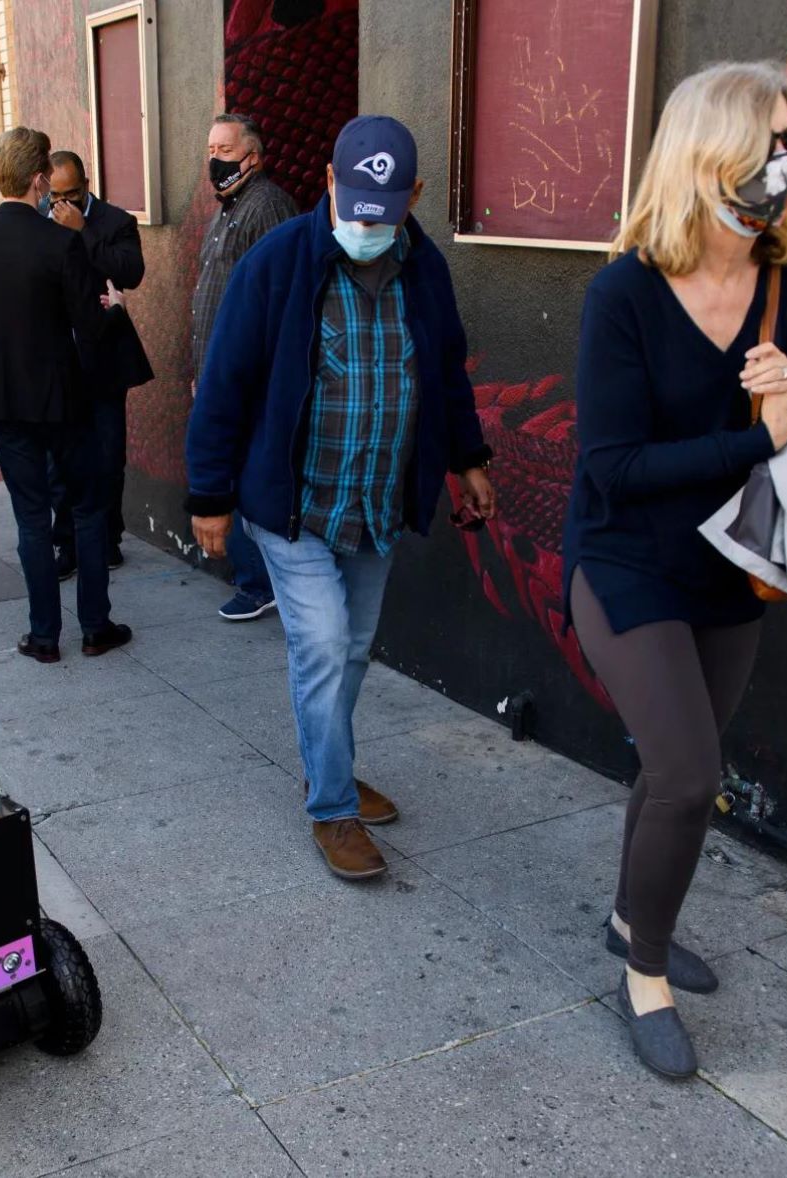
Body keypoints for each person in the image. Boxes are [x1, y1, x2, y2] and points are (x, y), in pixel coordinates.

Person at [564, 61, 787, 1078]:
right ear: (710, 155)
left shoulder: (781, 277)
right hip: (626, 560)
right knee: (687, 770)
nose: (784, 168)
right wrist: (756, 443)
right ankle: (647, 973)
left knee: (669, 770)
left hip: (730, 564)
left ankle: (631, 914)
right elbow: (614, 468)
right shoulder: (621, 292)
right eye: (769, 146)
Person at [186, 116, 496, 882]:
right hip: (292, 504)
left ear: (413, 195)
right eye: (353, 202)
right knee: (323, 643)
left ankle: (331, 762)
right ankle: (332, 807)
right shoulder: (278, 262)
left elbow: (448, 373)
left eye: (382, 211)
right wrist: (209, 496)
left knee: (353, 648)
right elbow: (223, 382)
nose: (365, 224)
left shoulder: (425, 269)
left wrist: (469, 461)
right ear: (329, 180)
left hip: (377, 498)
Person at [0, 127, 131, 664]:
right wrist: (112, 309)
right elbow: (87, 325)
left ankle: (44, 636)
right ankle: (95, 626)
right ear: (37, 178)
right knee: (89, 508)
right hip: (63, 397)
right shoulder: (62, 241)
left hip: (2, 398)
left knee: (30, 516)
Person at [191, 113, 297, 623]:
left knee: (249, 477)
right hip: (220, 374)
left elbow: (280, 297)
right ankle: (254, 578)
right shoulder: (227, 209)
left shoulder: (267, 207)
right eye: (210, 149)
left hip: (249, 378)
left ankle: (262, 584)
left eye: (226, 151)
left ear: (252, 157)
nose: (215, 159)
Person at [43, 150, 154, 578]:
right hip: (60, 357)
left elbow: (130, 271)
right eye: (54, 196)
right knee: (61, 460)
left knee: (108, 454)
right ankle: (66, 543)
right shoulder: (39, 220)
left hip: (105, 357)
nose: (62, 204)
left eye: (70, 194)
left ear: (86, 186)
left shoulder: (114, 221)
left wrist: (83, 231)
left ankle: (109, 538)